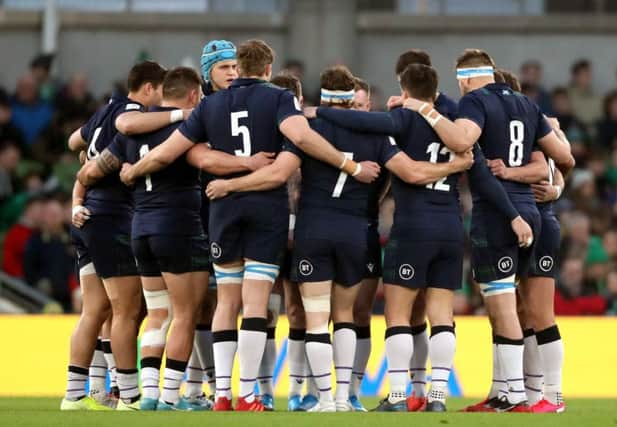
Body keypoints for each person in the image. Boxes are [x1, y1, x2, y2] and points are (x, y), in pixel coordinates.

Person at [118, 39, 379, 412]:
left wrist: (135, 170)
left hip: (223, 210)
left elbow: (173, 150)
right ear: (269, 70)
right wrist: (349, 165)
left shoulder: (209, 104)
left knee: (226, 301)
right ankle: (249, 393)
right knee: (256, 304)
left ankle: (221, 394)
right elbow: (303, 138)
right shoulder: (278, 99)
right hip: (264, 211)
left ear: (238, 68)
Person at [205, 64, 476, 412]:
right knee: (348, 314)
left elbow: (281, 173)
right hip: (357, 232)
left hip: (314, 230)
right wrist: (453, 166)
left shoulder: (308, 130)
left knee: (316, 318)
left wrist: (231, 184)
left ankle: (324, 398)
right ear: (353, 101)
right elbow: (406, 172)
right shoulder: (378, 136)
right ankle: (350, 395)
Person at [309, 63, 535, 412]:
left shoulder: (402, 120)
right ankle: (439, 398)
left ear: (404, 87)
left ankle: (398, 396)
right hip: (449, 228)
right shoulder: (457, 128)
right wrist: (515, 215)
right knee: (442, 314)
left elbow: (362, 122)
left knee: (398, 314)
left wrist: (320, 111)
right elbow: (485, 181)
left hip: (412, 228)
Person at [403, 48, 575, 412]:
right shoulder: (528, 105)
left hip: (497, 213)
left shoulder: (475, 102)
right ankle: (536, 395)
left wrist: (424, 108)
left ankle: (513, 393)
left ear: (466, 79)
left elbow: (462, 141)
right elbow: (564, 157)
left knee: (504, 306)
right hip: (535, 211)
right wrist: (556, 186)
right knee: (525, 310)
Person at [77, 67, 212, 411]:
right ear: (194, 96)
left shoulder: (131, 132)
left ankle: (148, 395)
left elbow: (90, 171)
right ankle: (168, 397)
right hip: (179, 226)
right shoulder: (188, 126)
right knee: (185, 314)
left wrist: (80, 195)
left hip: (141, 230)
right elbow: (198, 158)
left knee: (156, 314)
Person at [61, 61, 167, 411]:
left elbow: (74, 140)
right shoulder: (133, 117)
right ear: (149, 88)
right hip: (112, 217)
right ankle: (130, 395)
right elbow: (110, 151)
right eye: (162, 90)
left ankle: (76, 395)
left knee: (94, 309)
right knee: (127, 309)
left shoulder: (106, 109)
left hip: (87, 216)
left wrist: (85, 155)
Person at [2, 194, 44, 278]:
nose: (41, 214)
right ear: (28, 210)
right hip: (16, 280)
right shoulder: (17, 232)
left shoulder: (39, 232)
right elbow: (7, 259)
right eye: (38, 210)